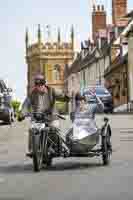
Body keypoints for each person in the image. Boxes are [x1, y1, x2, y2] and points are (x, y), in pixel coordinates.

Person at [18, 74, 69, 154]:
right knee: (32, 130)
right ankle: (32, 149)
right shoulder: (32, 94)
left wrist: (66, 97)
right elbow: (26, 104)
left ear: (44, 84)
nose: (39, 86)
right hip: (37, 118)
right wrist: (22, 114)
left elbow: (61, 95)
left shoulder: (51, 90)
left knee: (54, 128)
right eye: (37, 85)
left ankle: (56, 146)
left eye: (41, 84)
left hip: (51, 117)